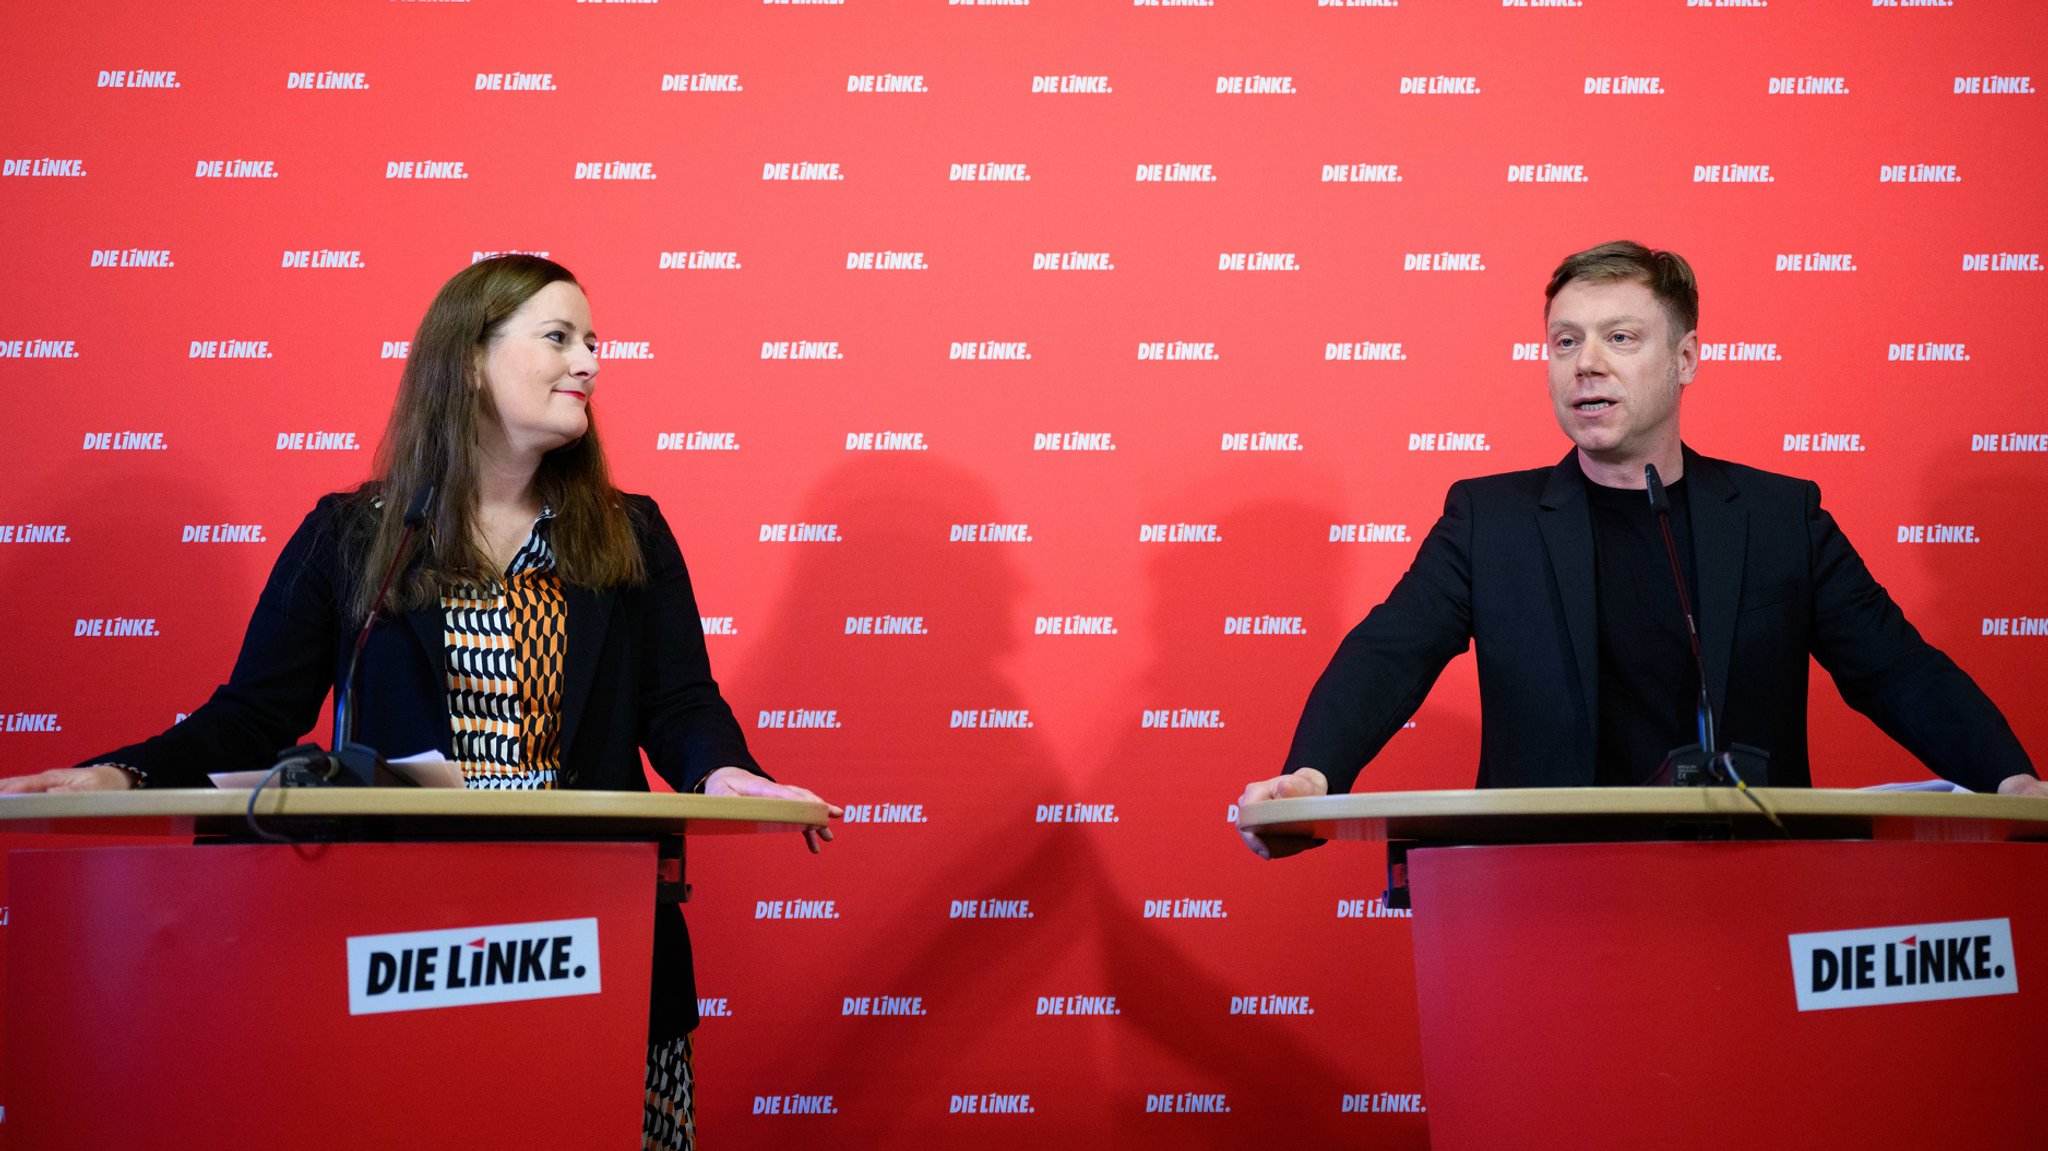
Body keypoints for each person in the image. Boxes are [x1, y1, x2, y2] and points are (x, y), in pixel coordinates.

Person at [0, 254, 838, 1150]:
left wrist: (723, 770)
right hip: (406, 945)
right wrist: (121, 775)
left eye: (595, 341)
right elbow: (250, 714)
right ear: (469, 359)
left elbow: (677, 702)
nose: (590, 362)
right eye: (559, 338)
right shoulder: (354, 535)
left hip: (600, 936)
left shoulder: (632, 533)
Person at [1238, 240, 2042, 858]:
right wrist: (1315, 773)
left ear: (1686, 359)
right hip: (1545, 898)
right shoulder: (1491, 521)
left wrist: (2012, 780)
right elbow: (1389, 652)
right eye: (1564, 342)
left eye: (1620, 337)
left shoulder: (1777, 516)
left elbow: (1894, 667)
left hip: (1749, 892)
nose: (1586, 363)